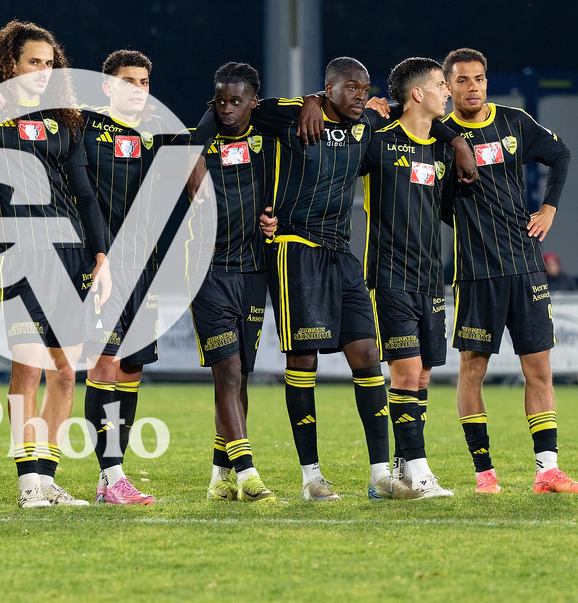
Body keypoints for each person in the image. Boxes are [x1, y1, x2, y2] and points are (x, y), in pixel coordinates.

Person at [250, 57, 428, 501]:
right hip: (295, 249)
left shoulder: (366, 122)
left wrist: (458, 144)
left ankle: (380, 475)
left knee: (367, 355)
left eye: (364, 88)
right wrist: (307, 102)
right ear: (328, 89)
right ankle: (311, 478)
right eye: (350, 87)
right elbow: (233, 109)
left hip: (341, 254)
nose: (360, 95)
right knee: (304, 361)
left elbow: (419, 122)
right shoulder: (293, 114)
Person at [0, 20, 110, 508]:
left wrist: (100, 253)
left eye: (49, 63)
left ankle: (48, 477)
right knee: (27, 371)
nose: (43, 70)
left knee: (65, 369)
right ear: (10, 65)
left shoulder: (64, 119)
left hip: (70, 251)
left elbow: (84, 191)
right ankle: (26, 480)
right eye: (33, 61)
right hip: (19, 254)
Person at [441, 47, 575, 494]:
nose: (472, 87)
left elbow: (561, 155)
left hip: (525, 266)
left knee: (539, 369)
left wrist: (550, 208)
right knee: (471, 371)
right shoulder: (438, 137)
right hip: (476, 272)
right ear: (448, 86)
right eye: (461, 80)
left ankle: (547, 471)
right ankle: (485, 474)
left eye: (478, 78)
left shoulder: (514, 121)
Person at [361, 57, 458, 498]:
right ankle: (418, 473)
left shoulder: (441, 148)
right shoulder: (378, 141)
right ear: (417, 93)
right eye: (441, 84)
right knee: (406, 372)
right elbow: (332, 165)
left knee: (422, 378)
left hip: (430, 279)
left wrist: (455, 141)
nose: (448, 91)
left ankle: (400, 473)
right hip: (390, 275)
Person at [186, 63, 276, 503]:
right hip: (207, 274)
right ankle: (246, 472)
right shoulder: (197, 144)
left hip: (254, 274)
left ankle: (219, 475)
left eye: (236, 101)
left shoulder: (269, 140)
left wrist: (277, 216)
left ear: (253, 102)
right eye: (219, 101)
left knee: (241, 379)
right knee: (228, 372)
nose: (226, 109)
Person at [80, 49, 162, 505]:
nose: (139, 89)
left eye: (145, 82)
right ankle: (111, 476)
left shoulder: (157, 132)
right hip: (101, 268)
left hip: (143, 268)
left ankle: (113, 475)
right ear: (109, 86)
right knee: (105, 365)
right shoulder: (85, 128)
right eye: (129, 81)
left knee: (131, 370)